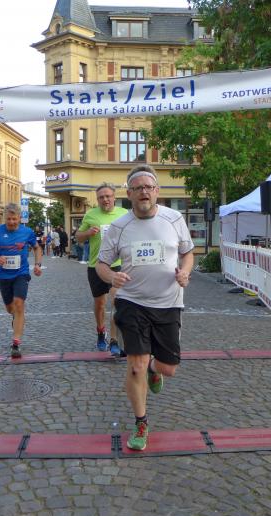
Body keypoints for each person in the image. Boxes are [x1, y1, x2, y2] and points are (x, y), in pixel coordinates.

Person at [96, 165, 195, 451]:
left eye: (148, 187)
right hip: (132, 301)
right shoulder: (119, 227)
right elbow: (101, 265)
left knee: (168, 368)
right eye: (137, 188)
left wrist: (185, 272)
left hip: (169, 302)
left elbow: (188, 253)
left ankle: (155, 368)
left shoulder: (174, 219)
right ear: (128, 194)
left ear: (157, 191)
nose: (144, 192)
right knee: (135, 366)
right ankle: (141, 423)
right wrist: (112, 277)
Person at [0, 203, 43, 357]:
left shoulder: (27, 232)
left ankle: (16, 343)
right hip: (3, 276)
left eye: (14, 219)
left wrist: (37, 264)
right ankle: (16, 317)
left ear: (19, 218)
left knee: (19, 304)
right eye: (8, 219)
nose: (11, 222)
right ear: (4, 218)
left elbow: (37, 248)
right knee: (10, 309)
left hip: (21, 274)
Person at [76, 183, 128, 354]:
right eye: (101, 197)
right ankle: (100, 332)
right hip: (96, 265)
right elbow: (78, 238)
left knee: (117, 301)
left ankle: (114, 340)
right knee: (100, 304)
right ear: (97, 199)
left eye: (108, 196)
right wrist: (88, 233)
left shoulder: (124, 214)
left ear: (114, 197)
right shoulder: (90, 214)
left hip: (117, 264)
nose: (105, 199)